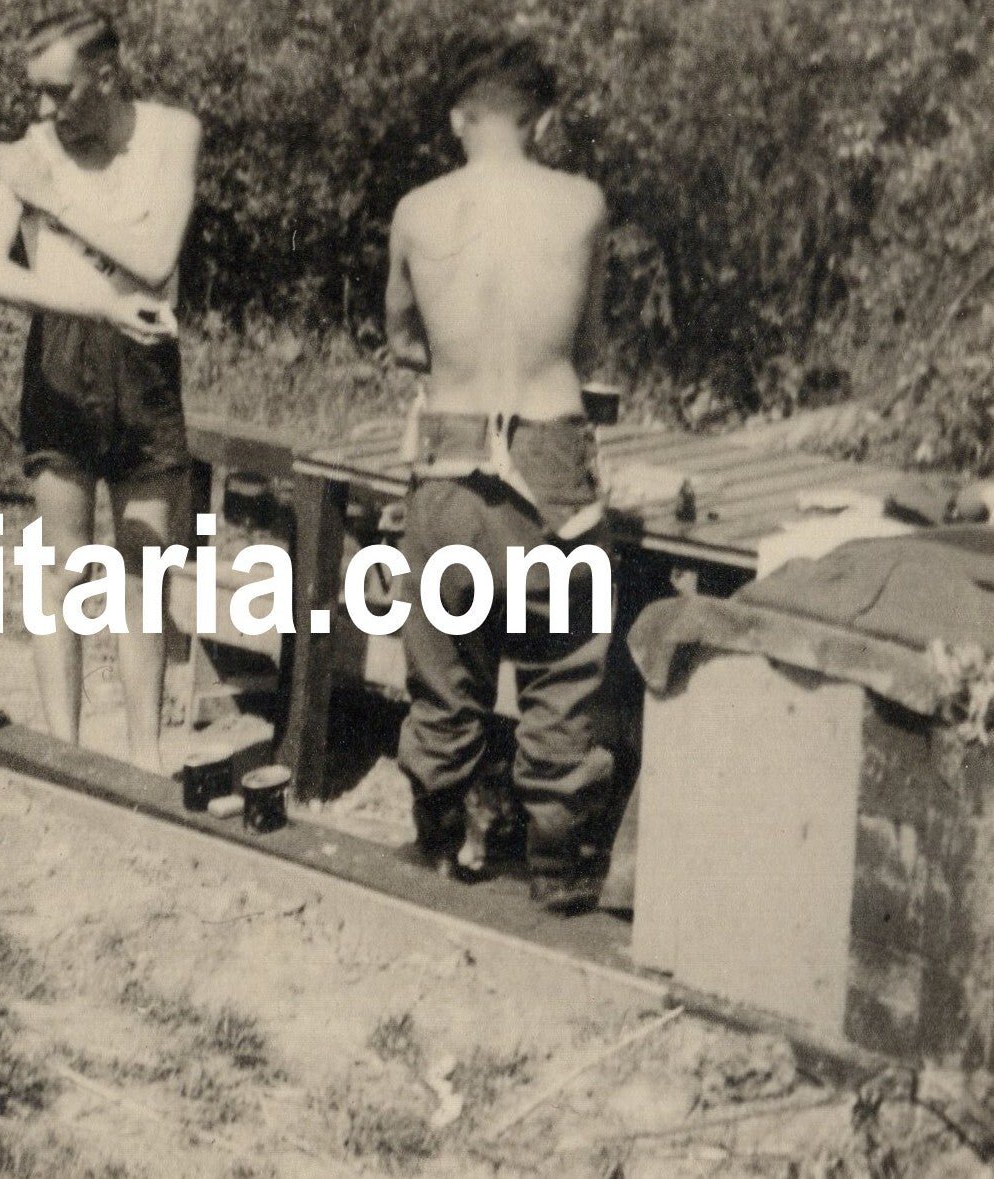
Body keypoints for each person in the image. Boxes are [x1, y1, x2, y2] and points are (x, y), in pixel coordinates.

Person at [384, 38, 616, 913]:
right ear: (544, 121)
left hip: (447, 455)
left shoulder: (417, 209)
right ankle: (557, 872)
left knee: (444, 670)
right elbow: (590, 346)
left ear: (457, 118)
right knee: (563, 667)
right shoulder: (582, 203)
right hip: (551, 456)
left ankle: (440, 850)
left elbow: (404, 335)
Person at [0, 10, 202, 774]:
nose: (43, 110)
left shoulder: (170, 134)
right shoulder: (28, 150)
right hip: (63, 358)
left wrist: (58, 201)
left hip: (145, 368)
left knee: (143, 567)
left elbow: (158, 258)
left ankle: (144, 762)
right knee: (62, 563)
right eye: (34, 92)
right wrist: (100, 301)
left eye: (58, 92)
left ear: (105, 76)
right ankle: (62, 756)